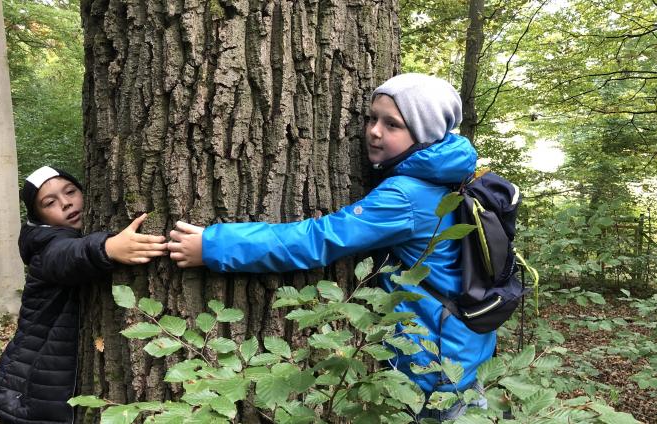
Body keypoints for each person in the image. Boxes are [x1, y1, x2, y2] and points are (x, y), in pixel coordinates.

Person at [168, 73, 496, 419]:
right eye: (372, 118)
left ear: (425, 134)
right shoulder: (452, 175)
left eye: (393, 124)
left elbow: (318, 239)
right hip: (463, 352)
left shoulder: (405, 196)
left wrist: (215, 246)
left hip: (429, 368)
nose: (374, 131)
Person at [0, 166, 168, 424]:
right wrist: (107, 248)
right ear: (40, 217)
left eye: (70, 191)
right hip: (34, 386)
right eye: (50, 202)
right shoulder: (44, 247)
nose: (66, 203)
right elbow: (66, 256)